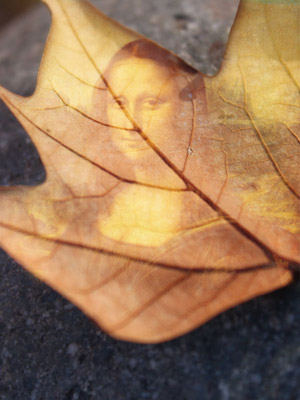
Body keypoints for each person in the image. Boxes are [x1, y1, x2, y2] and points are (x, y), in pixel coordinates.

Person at [94, 39, 207, 247]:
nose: (131, 123)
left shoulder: (207, 209)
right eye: (119, 103)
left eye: (151, 103)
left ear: (183, 110)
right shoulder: (99, 205)